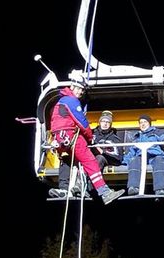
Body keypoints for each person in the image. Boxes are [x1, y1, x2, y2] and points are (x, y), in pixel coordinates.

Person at [47, 73, 125, 205]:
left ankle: (65, 189)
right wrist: (90, 138)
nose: (80, 92)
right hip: (71, 136)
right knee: (90, 162)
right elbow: (82, 123)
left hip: (59, 139)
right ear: (72, 86)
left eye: (82, 90)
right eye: (78, 88)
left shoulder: (60, 101)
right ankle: (105, 192)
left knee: (68, 161)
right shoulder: (71, 101)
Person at [123, 113, 164, 197]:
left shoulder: (155, 132)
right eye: (141, 123)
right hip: (142, 156)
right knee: (134, 160)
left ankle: (160, 189)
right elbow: (132, 151)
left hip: (155, 155)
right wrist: (124, 162)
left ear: (149, 123)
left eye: (145, 122)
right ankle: (133, 187)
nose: (143, 124)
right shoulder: (137, 137)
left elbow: (163, 137)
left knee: (159, 162)